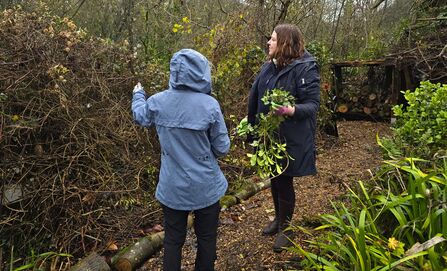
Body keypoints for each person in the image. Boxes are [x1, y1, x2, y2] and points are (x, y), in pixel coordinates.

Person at [132, 49, 230, 270]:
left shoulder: (158, 102)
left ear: (174, 72)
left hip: (172, 187)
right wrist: (203, 155)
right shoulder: (210, 105)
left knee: (173, 241)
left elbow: (140, 116)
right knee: (206, 239)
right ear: (202, 73)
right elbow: (223, 148)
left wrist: (138, 94)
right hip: (206, 186)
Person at [247, 24, 320, 252]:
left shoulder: (305, 68)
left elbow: (312, 105)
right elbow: (255, 98)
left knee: (284, 180)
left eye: (273, 39)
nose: (268, 42)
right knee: (275, 179)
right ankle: (279, 220)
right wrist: (250, 127)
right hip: (270, 137)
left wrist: (291, 110)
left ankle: (286, 229)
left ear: (285, 44)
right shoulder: (269, 67)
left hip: (291, 137)